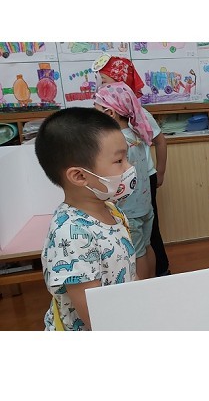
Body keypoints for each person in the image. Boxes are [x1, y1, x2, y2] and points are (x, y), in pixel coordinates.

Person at [35, 107, 137, 330]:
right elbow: (95, 317)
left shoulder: (112, 211)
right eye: (119, 160)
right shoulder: (71, 235)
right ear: (79, 176)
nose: (129, 168)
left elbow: (128, 273)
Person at [94, 54, 171, 276]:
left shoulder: (117, 142)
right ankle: (153, 281)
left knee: (137, 253)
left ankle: (143, 287)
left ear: (110, 112)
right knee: (147, 246)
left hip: (129, 210)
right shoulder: (136, 133)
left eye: (96, 109)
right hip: (144, 206)